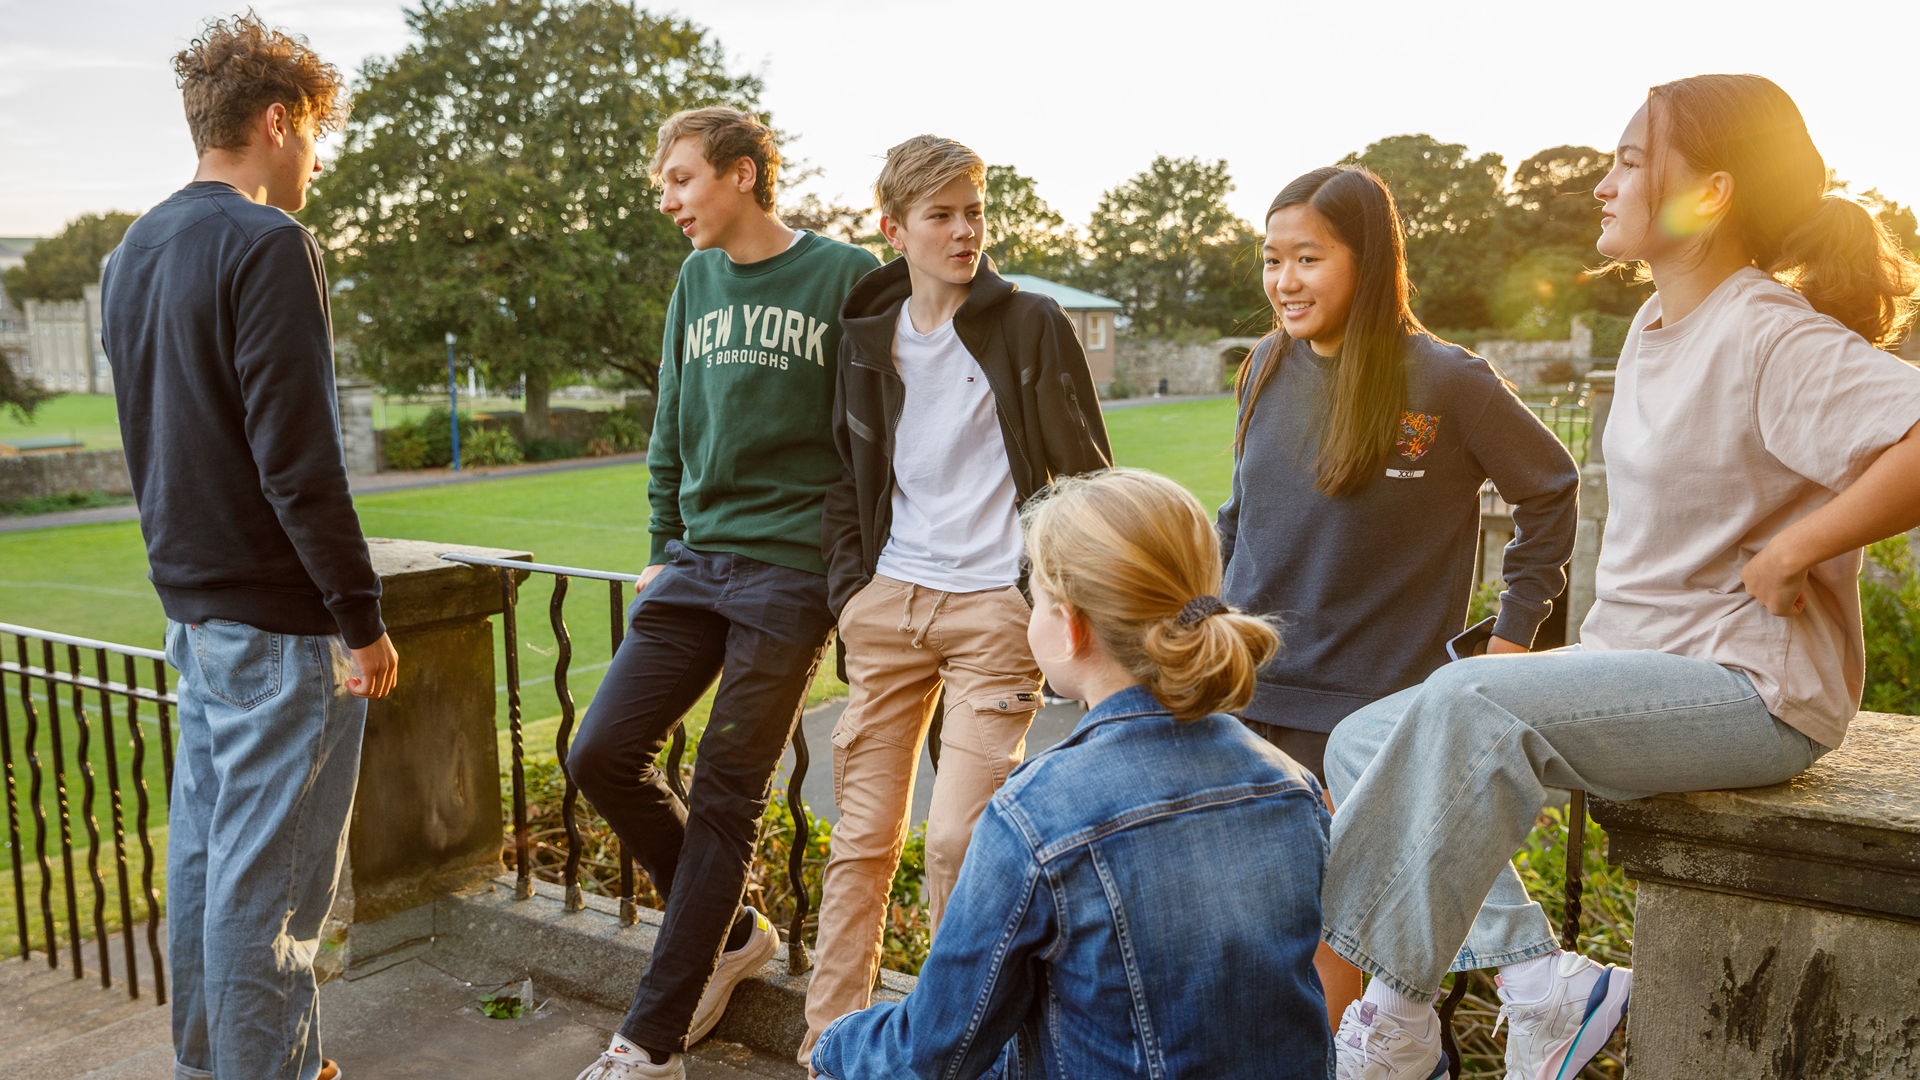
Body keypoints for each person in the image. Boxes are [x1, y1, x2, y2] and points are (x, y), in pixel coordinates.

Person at [1321, 74, 1920, 1080]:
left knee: (1467, 701)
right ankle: (1539, 985)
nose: (1603, 184)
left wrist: (1797, 547)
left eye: (1630, 161)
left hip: (1752, 691)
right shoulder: (1656, 328)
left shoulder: (1766, 330)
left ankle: (1392, 1018)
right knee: (1365, 737)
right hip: (1646, 668)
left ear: (1712, 194)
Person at [811, 468, 1333, 1080]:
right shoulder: (1292, 786)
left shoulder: (1038, 815)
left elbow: (935, 1052)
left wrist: (834, 1045)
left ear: (1068, 627)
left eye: (1032, 593)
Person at [100, 16, 399, 1080]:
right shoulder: (268, 243)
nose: (315, 158)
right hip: (278, 632)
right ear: (279, 122)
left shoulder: (133, 250)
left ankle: (228, 1065)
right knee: (270, 897)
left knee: (207, 870)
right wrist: (360, 620)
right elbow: (299, 461)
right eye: (315, 134)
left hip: (195, 615)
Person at [1218, 164, 1580, 1032]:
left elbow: (1551, 488)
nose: (1283, 282)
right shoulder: (1265, 364)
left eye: (1307, 258)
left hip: (1365, 718)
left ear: (1368, 259)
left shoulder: (1448, 382)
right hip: (1247, 697)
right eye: (1272, 260)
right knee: (1247, 945)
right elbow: (1240, 518)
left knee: (1336, 972)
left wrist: (1515, 633)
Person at [567, 107, 880, 1080]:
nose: (669, 201)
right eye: (665, 183)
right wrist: (663, 542)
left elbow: (879, 440)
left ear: (743, 175)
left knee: (727, 795)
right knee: (601, 752)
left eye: (682, 180)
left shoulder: (847, 276)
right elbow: (670, 421)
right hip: (697, 564)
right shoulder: (696, 281)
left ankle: (648, 1043)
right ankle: (737, 930)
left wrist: (845, 575)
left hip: (791, 577)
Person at [802, 135, 1112, 1064]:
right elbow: (841, 473)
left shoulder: (1032, 323)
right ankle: (832, 1046)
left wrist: (1053, 598)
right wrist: (851, 593)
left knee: (959, 844)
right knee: (859, 842)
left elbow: (1088, 477)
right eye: (942, 215)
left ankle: (955, 1053)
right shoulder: (864, 336)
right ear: (893, 228)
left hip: (993, 612)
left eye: (975, 209)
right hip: (890, 604)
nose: (965, 230)